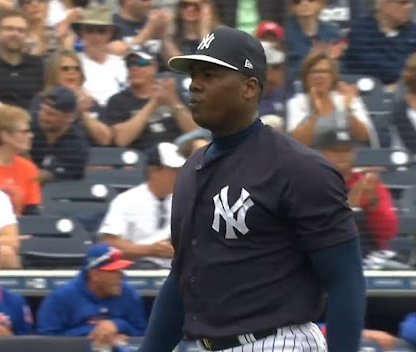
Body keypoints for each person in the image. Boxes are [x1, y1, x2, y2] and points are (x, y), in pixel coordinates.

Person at [137, 26, 366, 352]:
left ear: (249, 88)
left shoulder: (298, 167)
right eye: (194, 75)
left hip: (277, 342)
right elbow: (181, 278)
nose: (195, 84)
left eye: (210, 74)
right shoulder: (191, 169)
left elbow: (346, 282)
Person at [36, 244, 147, 348]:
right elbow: (46, 342)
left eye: (120, 270)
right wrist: (93, 332)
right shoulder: (61, 297)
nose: (120, 277)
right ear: (94, 274)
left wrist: (117, 325)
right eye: (113, 271)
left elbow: (142, 334)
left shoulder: (129, 294)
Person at [99, 142, 185, 268]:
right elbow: (108, 244)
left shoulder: (186, 200)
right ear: (153, 171)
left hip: (177, 272)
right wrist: (149, 250)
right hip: (136, 271)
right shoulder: (126, 200)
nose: (179, 175)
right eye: (173, 170)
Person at [0, 105, 41, 216]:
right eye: (24, 132)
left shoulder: (28, 168)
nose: (31, 136)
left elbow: (32, 211)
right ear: (5, 136)